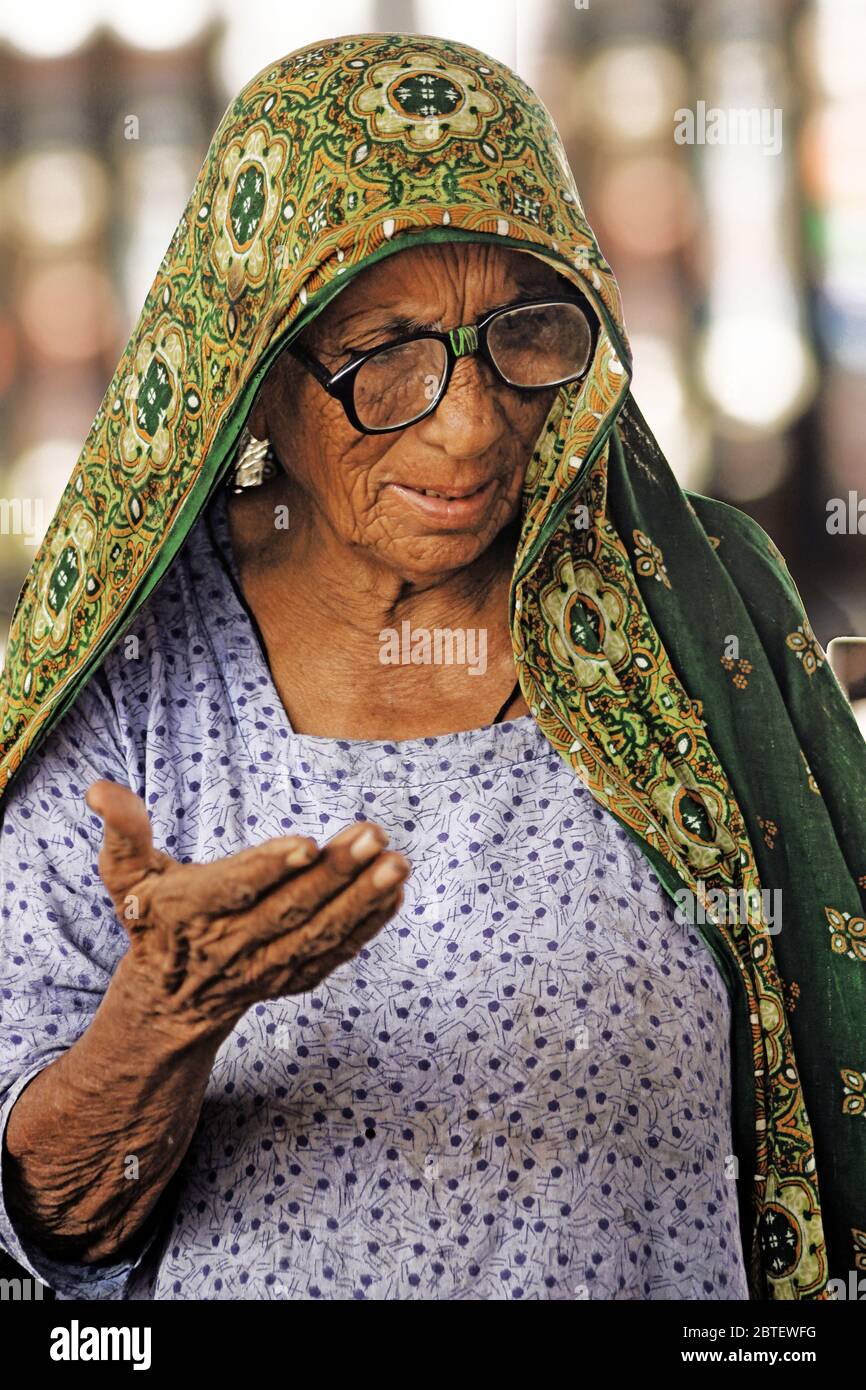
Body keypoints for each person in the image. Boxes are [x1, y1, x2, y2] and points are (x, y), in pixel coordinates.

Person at [0, 32, 864, 1303]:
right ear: (255, 367)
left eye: (521, 332)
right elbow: (51, 1219)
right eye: (385, 354)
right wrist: (166, 1020)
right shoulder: (136, 683)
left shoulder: (693, 601)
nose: (467, 424)